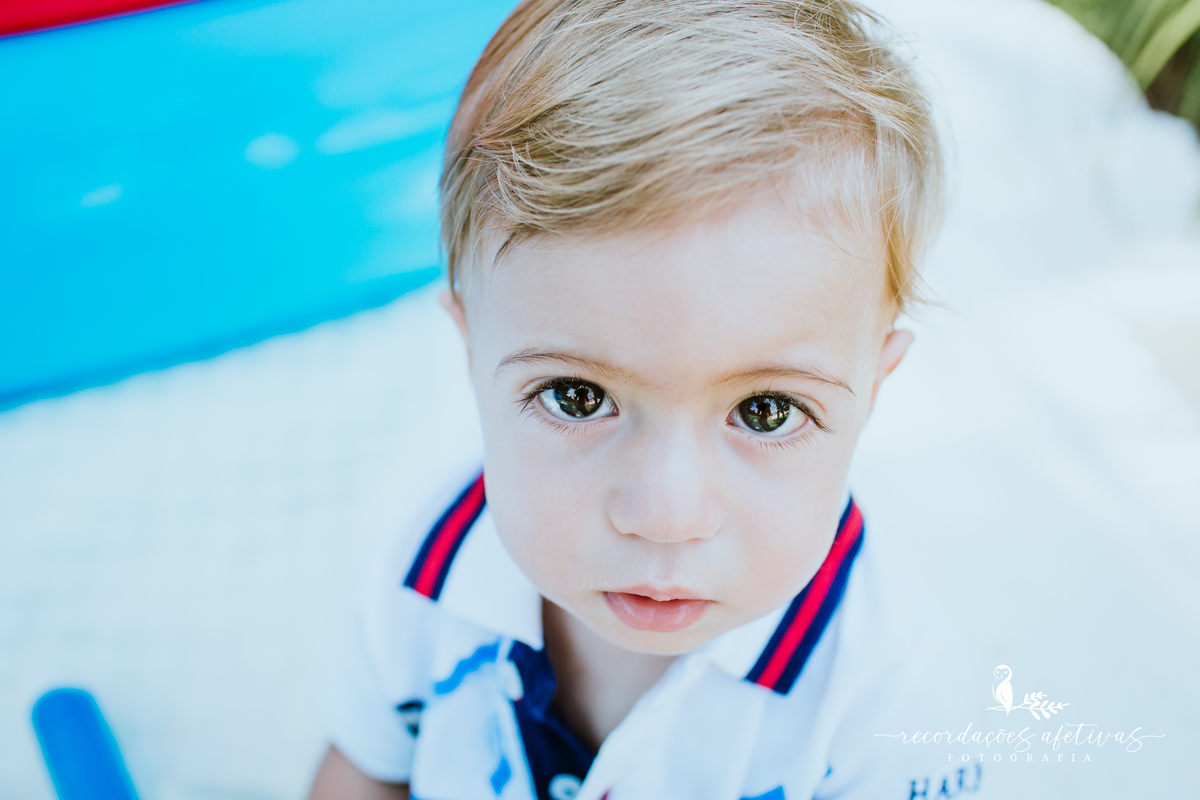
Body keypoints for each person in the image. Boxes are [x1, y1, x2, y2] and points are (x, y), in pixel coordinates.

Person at [309, 1, 984, 797]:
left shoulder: (889, 703)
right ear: (469, 349)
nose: (666, 514)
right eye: (574, 395)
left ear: (873, 387)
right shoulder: (425, 565)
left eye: (765, 411)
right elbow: (366, 769)